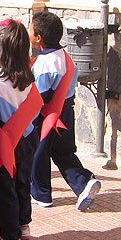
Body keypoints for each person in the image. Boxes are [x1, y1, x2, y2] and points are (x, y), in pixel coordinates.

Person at [29, 11, 101, 211]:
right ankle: (83, 182)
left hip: (48, 116)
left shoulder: (45, 63)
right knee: (63, 152)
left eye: (30, 28)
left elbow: (40, 95)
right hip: (66, 111)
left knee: (38, 153)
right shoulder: (64, 56)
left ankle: (41, 194)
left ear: (38, 37)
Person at [0, 20, 42, 240]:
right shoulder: (30, 78)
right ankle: (23, 225)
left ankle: (9, 236)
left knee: (3, 186)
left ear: (0, 49)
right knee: (23, 181)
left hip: (5, 143)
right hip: (28, 139)